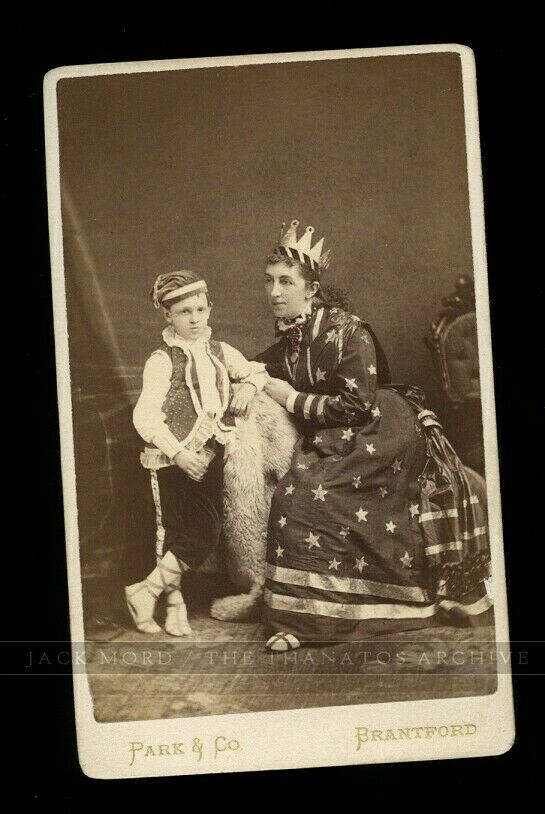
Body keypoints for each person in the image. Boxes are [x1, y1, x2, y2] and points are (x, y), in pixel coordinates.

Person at [257, 220, 493, 652]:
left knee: (305, 495)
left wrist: (292, 399)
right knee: (299, 491)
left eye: (285, 282)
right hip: (337, 434)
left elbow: (357, 404)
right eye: (269, 281)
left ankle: (322, 619)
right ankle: (299, 615)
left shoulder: (349, 332)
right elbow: (259, 369)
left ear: (311, 289)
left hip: (385, 430)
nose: (274, 292)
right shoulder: (290, 337)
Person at [125, 270, 267, 636]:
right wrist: (177, 454)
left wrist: (249, 387)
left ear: (210, 309)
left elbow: (256, 371)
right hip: (171, 460)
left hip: (209, 455)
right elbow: (145, 416)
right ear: (168, 316)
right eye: (184, 312)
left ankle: (145, 592)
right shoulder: (161, 360)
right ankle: (174, 606)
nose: (194, 319)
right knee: (169, 532)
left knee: (206, 530)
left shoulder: (220, 351)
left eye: (200, 310)